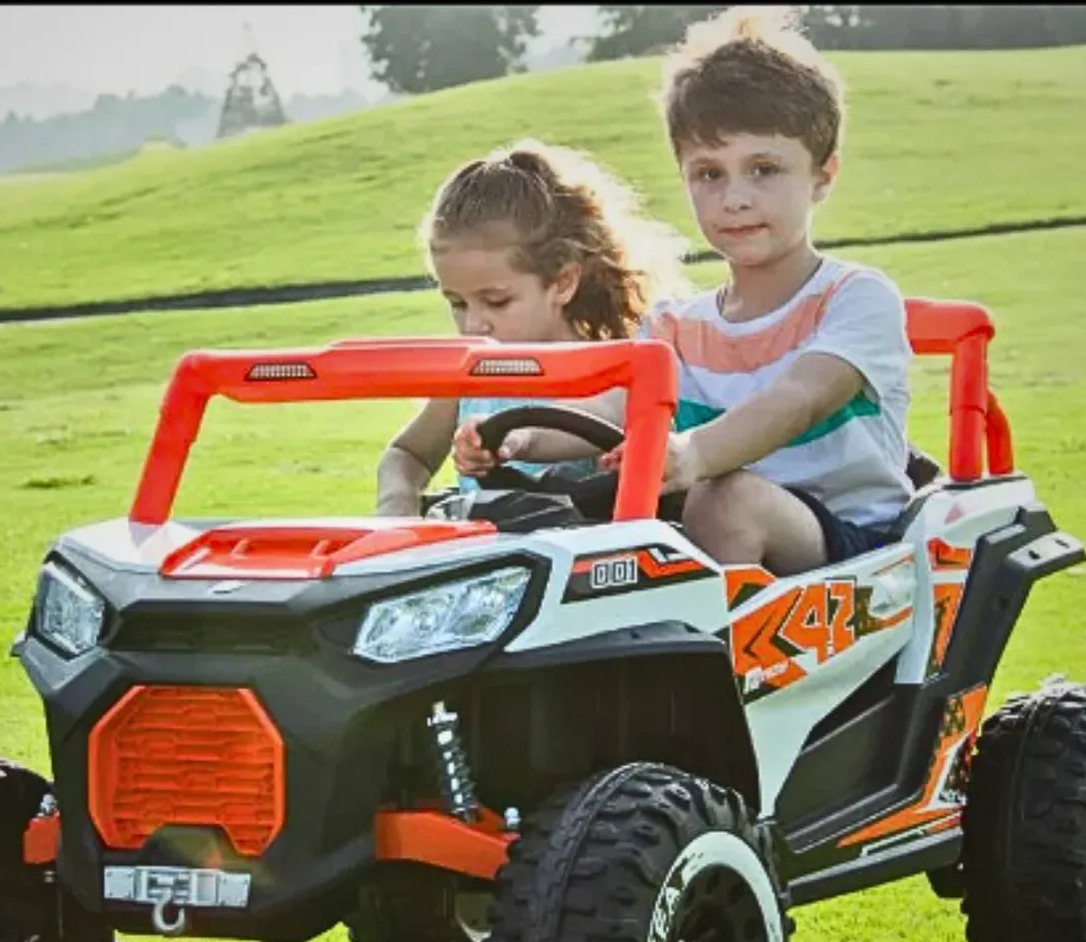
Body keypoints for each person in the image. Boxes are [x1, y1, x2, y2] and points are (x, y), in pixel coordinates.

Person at [454, 5, 916, 575]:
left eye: (764, 169)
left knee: (726, 499)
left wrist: (694, 453)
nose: (736, 198)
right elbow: (616, 408)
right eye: (709, 174)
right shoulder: (675, 325)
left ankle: (706, 663)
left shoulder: (854, 299)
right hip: (718, 526)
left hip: (853, 556)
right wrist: (521, 438)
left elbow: (799, 400)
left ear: (822, 176)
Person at [374, 138, 689, 517]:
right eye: (457, 303)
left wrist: (519, 440)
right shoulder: (466, 381)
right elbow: (406, 454)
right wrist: (397, 508)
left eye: (497, 301)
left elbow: (612, 417)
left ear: (562, 282)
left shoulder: (610, 371)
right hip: (482, 562)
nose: (473, 324)